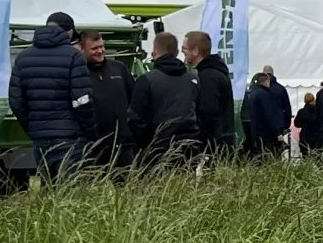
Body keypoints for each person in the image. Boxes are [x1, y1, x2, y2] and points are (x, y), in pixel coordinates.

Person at [10, 14, 93, 179]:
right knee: (71, 193)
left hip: (40, 138)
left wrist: (33, 127)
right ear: (68, 32)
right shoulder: (74, 57)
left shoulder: (22, 58)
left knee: (49, 191)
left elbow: (16, 101)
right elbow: (82, 100)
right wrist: (90, 132)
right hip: (70, 137)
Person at [126, 31, 203, 164]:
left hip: (155, 152)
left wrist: (144, 145)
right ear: (176, 52)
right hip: (189, 150)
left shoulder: (147, 80)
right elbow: (200, 114)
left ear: (154, 52)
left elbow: (135, 119)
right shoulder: (193, 79)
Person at [79, 29, 132, 168]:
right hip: (94, 146)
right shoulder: (78, 73)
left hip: (122, 144)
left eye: (102, 46)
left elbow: (132, 98)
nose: (100, 51)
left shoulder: (119, 68)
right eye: (94, 48)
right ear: (82, 49)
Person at [185, 30, 236, 156]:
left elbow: (208, 111)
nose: (183, 53)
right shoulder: (217, 72)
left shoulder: (207, 76)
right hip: (222, 139)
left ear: (195, 51)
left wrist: (201, 141)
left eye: (184, 49)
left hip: (214, 145)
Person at [241, 66, 292, 159]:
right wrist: (281, 129)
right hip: (271, 131)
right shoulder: (275, 91)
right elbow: (273, 113)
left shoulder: (252, 93)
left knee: (261, 157)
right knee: (273, 156)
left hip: (256, 132)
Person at [293, 90, 321, 159]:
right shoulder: (319, 110)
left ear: (305, 100)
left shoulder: (301, 111)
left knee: (305, 154)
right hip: (317, 135)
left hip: (305, 135)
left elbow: (296, 124)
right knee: (317, 155)